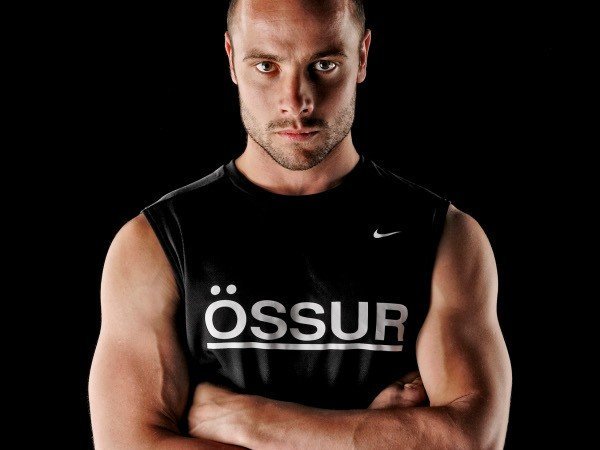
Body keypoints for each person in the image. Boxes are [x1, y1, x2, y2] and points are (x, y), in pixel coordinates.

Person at [88, 0, 512, 448]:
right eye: (266, 66)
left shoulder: (443, 235)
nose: (296, 101)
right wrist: (375, 439)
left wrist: (252, 421)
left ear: (362, 56)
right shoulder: (156, 242)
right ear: (231, 59)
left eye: (324, 65)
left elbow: (474, 440)